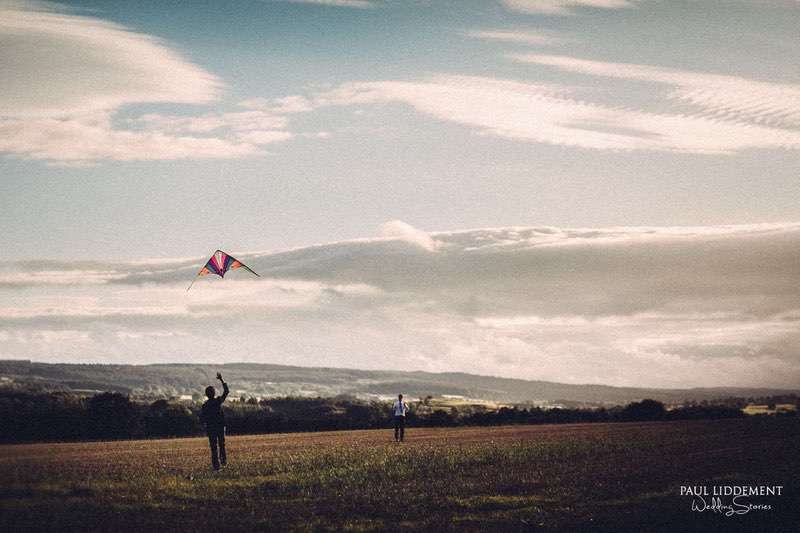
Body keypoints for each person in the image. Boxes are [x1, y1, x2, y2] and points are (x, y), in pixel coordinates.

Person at [200, 372, 229, 470]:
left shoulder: (205, 406)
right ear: (214, 393)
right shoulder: (218, 401)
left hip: (211, 428)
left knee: (213, 448)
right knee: (222, 445)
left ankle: (216, 466)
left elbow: (202, 419)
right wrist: (221, 380)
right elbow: (226, 391)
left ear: (206, 395)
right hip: (220, 426)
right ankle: (224, 462)